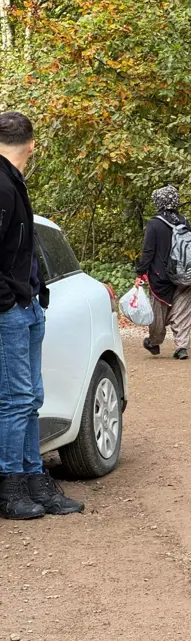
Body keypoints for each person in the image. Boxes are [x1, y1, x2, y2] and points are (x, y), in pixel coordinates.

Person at [0, 111, 85, 519]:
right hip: (10, 310)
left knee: (30, 398)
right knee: (15, 400)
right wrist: (8, 299)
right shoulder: (0, 184)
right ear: (32, 145)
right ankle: (11, 488)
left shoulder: (14, 181)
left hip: (29, 304)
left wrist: (34, 295)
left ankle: (36, 480)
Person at [136, 186, 191, 360]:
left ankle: (154, 342)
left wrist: (141, 273)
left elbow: (148, 251)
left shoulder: (154, 224)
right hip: (186, 275)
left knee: (158, 313)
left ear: (158, 202)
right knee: (183, 311)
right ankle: (181, 347)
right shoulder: (184, 221)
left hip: (160, 277)